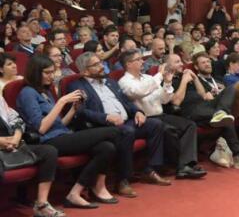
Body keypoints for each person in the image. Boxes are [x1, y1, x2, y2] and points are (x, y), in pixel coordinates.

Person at [17, 55, 120, 208]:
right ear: (35, 72)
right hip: (47, 142)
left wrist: (73, 109)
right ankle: (107, 183)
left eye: (53, 72)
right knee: (114, 132)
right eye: (47, 72)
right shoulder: (27, 93)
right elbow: (41, 128)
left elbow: (60, 124)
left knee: (106, 147)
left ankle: (75, 193)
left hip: (63, 135)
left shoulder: (45, 91)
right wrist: (61, 102)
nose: (51, 76)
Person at [68, 52, 171, 198]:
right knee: (127, 132)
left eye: (101, 62)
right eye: (96, 65)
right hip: (103, 126)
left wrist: (138, 111)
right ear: (85, 70)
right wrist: (106, 117)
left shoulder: (110, 81)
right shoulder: (77, 86)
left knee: (155, 124)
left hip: (125, 120)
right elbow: (81, 111)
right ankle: (123, 180)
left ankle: (150, 170)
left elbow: (127, 102)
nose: (101, 66)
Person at [118, 49, 207, 179]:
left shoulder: (148, 77)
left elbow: (164, 99)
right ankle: (181, 166)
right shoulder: (124, 81)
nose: (142, 61)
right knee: (169, 130)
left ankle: (186, 164)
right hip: (145, 120)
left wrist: (167, 83)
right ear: (128, 64)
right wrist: (159, 75)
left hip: (160, 114)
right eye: (138, 59)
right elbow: (139, 91)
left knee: (189, 125)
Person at [165, 53, 239, 170]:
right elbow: (176, 102)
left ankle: (220, 112)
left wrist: (195, 79)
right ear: (167, 65)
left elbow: (203, 95)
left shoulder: (185, 76)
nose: (181, 64)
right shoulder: (166, 80)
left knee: (232, 88)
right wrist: (184, 81)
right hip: (190, 111)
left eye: (181, 61)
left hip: (205, 104)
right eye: (177, 62)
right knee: (227, 118)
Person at [0, 94, 65, 217]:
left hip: (12, 142)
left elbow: (14, 117)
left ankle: (42, 205)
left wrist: (16, 136)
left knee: (48, 152)